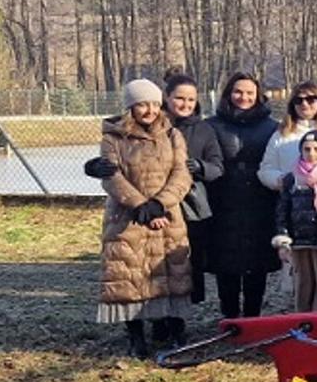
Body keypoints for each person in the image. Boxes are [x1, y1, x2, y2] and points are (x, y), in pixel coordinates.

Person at [87, 80, 194, 357]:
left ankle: (176, 330)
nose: (150, 110)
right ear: (131, 105)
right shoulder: (114, 137)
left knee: (172, 272)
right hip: (127, 217)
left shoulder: (172, 135)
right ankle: (135, 336)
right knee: (128, 275)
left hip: (167, 215)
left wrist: (160, 204)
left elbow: (181, 174)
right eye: (143, 104)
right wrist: (139, 206)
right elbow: (111, 176)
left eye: (155, 104)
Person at [205, 72, 280, 319]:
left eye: (249, 93)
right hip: (223, 201)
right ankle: (229, 319)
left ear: (258, 95)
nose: (243, 97)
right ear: (229, 94)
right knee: (225, 265)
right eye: (238, 92)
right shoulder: (213, 125)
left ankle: (252, 318)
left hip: (260, 202)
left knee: (256, 266)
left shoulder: (272, 127)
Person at [162, 74, 222, 305]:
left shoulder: (204, 130)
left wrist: (200, 167)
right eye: (179, 98)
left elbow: (217, 166)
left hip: (191, 205)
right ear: (167, 97)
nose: (185, 104)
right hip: (159, 203)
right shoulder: (155, 126)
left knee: (187, 260)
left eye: (190, 99)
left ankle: (182, 313)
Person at [272, 130, 317, 313]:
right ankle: (302, 317)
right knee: (302, 281)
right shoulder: (291, 178)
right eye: (307, 149)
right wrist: (283, 235)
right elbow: (282, 208)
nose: (311, 154)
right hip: (298, 238)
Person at [257, 82, 317, 195]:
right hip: (295, 202)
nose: (304, 104)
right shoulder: (281, 135)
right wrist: (284, 180)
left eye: (310, 99)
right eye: (298, 100)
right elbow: (266, 170)